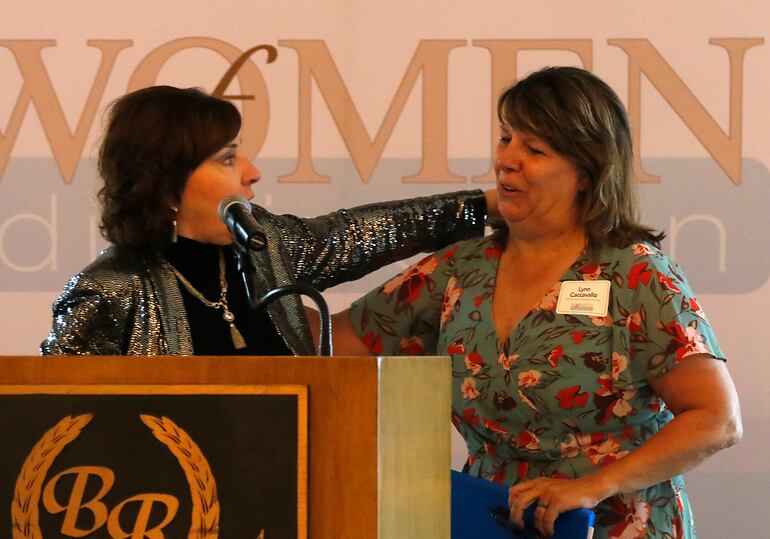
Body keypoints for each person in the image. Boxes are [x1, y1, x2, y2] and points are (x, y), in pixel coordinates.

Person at [332, 67, 741, 539]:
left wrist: (590, 487)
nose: (507, 159)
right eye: (506, 138)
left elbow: (716, 419)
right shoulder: (462, 268)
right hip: (492, 533)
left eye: (536, 148)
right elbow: (335, 345)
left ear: (587, 170)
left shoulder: (637, 276)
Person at [40, 85, 493, 356]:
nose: (253, 172)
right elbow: (48, 420)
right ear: (167, 181)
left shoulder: (265, 248)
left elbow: (365, 232)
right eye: (228, 158)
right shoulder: (109, 289)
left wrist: (486, 205)